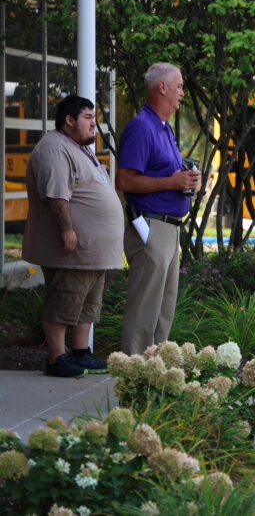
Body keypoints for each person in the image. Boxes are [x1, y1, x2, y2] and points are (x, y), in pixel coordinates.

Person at [23, 95, 125, 377]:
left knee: (86, 304)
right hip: (72, 249)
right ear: (69, 121)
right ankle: (57, 358)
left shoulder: (79, 148)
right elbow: (57, 195)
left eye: (95, 119)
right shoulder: (54, 149)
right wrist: (67, 230)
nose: (95, 125)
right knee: (64, 300)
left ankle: (80, 353)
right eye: (88, 119)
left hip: (92, 253)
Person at [117, 62, 200, 355]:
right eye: (178, 87)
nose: (182, 94)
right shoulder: (142, 127)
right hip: (150, 227)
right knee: (145, 308)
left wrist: (187, 182)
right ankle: (134, 371)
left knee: (164, 308)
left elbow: (169, 177)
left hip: (169, 228)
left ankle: (156, 370)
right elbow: (125, 180)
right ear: (161, 87)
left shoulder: (163, 129)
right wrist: (171, 182)